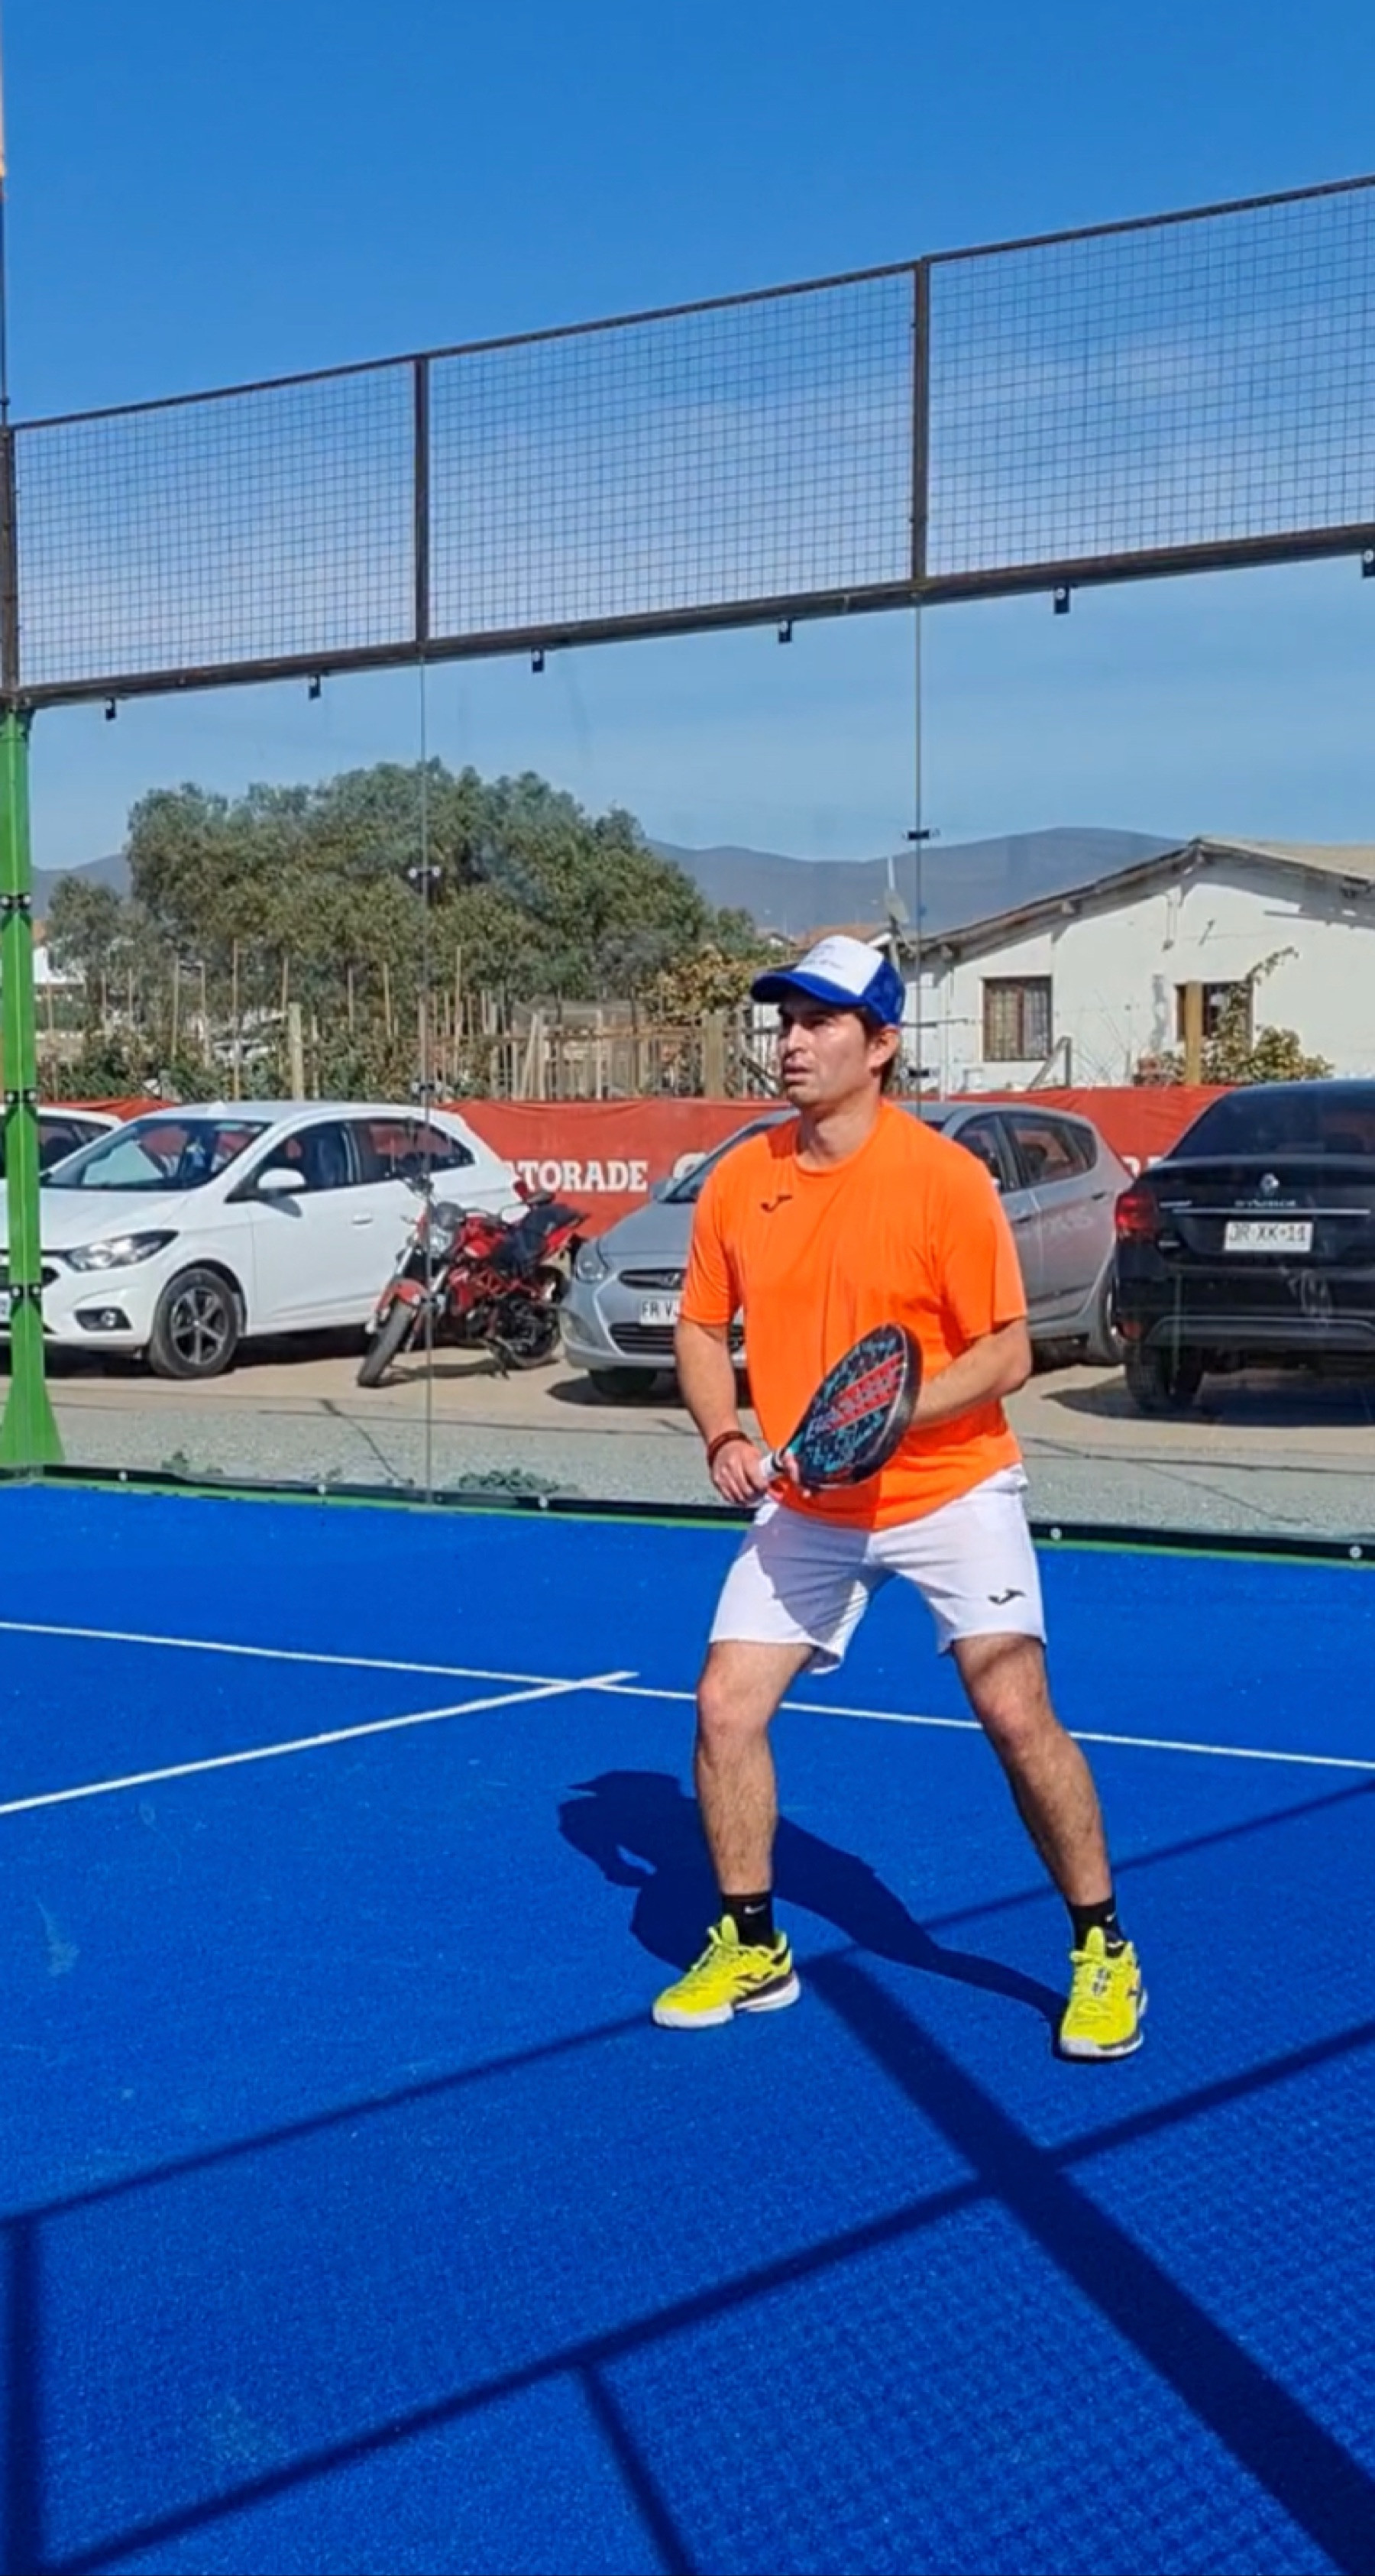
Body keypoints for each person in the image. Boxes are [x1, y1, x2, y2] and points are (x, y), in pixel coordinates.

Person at [655, 934, 1144, 2060]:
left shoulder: (943, 1181)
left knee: (1013, 1708)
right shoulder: (741, 1179)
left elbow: (1006, 1353)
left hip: (951, 1487)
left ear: (879, 1046)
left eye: (820, 1023)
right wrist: (723, 1430)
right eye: (785, 1022)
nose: (793, 1042)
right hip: (811, 1505)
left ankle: (1103, 1947)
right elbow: (699, 1327)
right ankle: (754, 1944)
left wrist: (888, 1418)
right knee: (725, 1706)